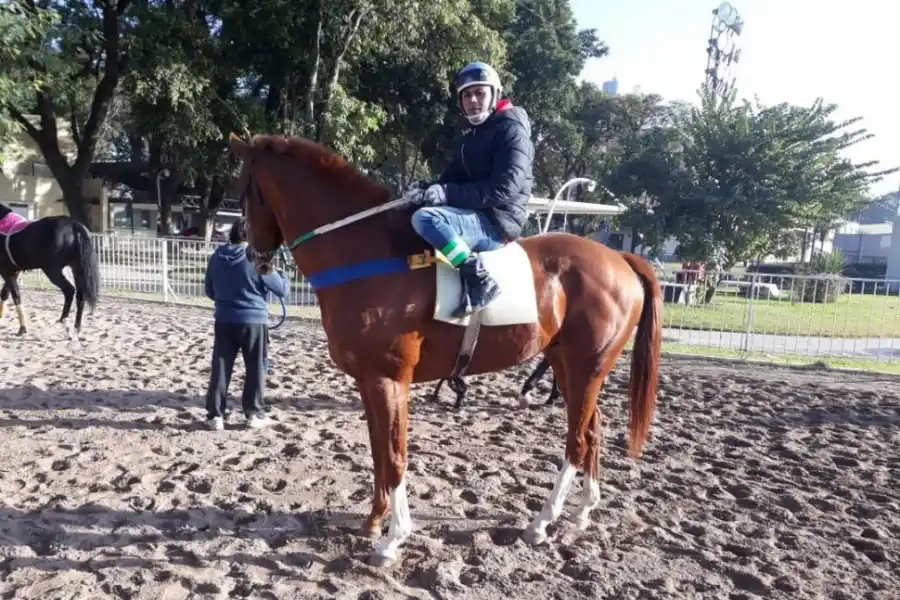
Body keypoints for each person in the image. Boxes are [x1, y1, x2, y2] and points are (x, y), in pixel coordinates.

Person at [406, 61, 535, 317]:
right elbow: (450, 180)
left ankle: (480, 280)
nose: (473, 100)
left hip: (497, 222)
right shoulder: (470, 138)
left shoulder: (512, 132)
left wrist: (447, 194)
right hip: (475, 214)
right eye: (467, 94)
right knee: (413, 212)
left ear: (495, 94)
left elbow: (504, 189)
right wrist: (425, 189)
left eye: (480, 92)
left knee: (426, 218)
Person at [203, 217, 289, 430]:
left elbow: (209, 289)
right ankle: (253, 413)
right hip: (254, 320)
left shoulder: (217, 256)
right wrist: (282, 273)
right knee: (256, 368)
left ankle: (215, 415)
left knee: (221, 367)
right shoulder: (257, 257)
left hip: (224, 318)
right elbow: (282, 290)